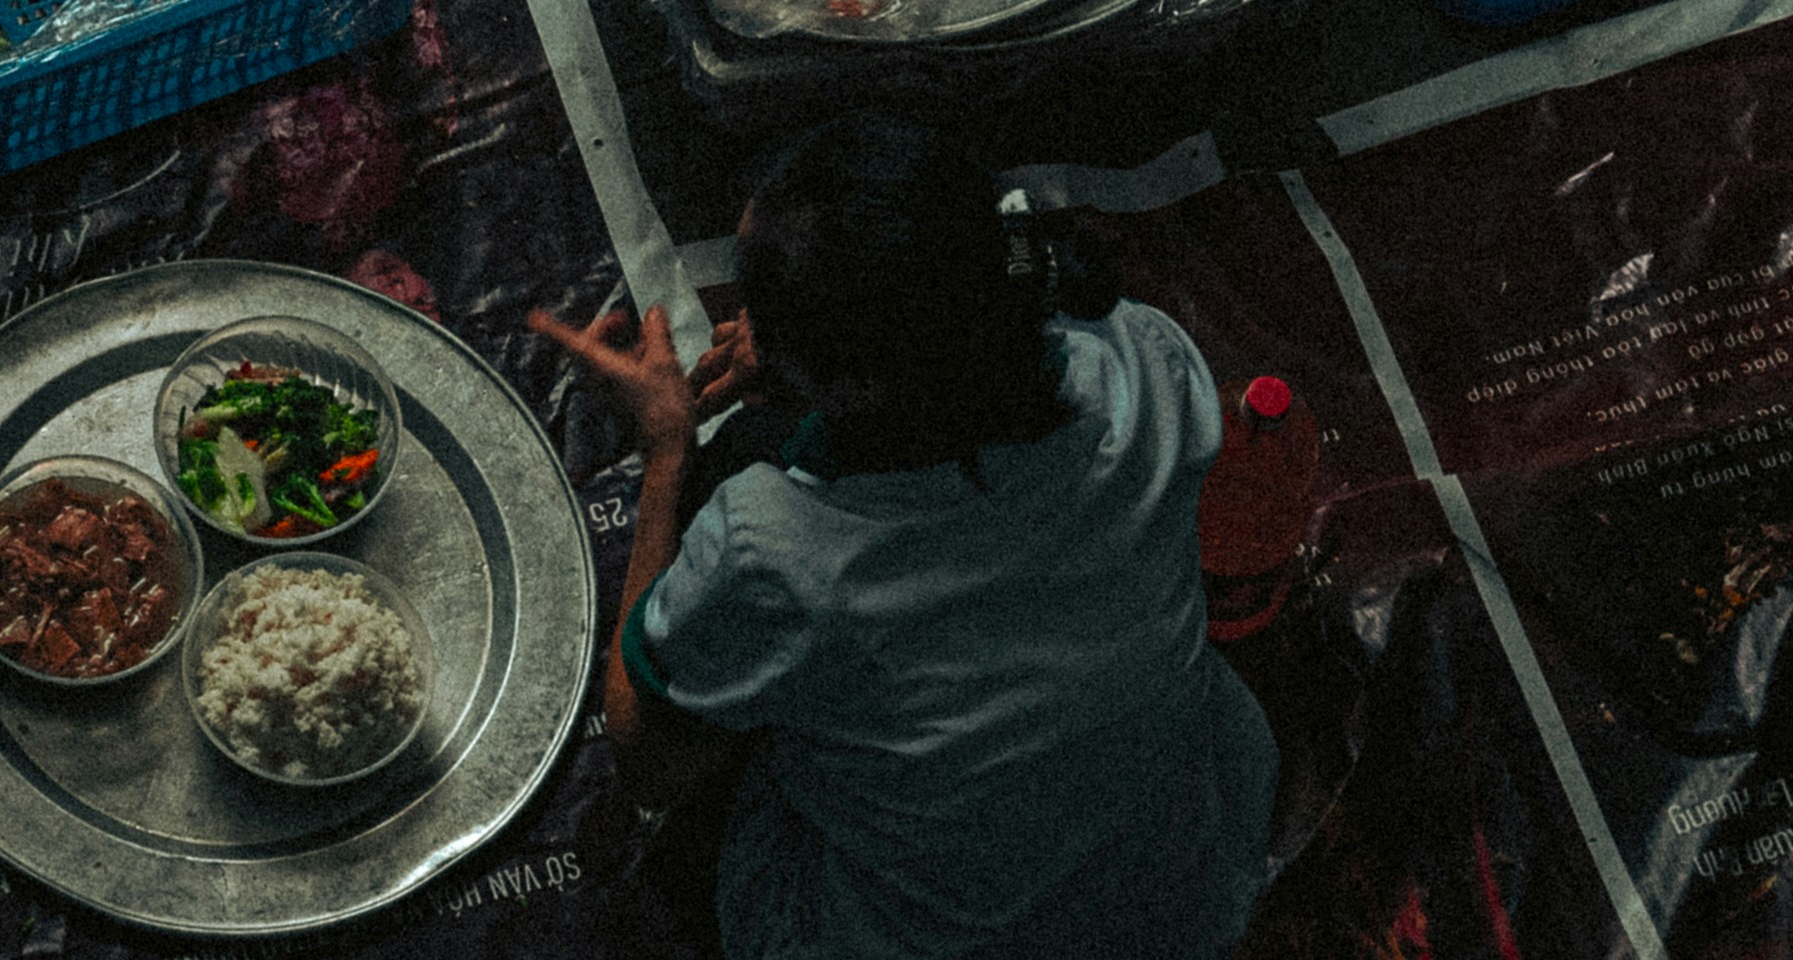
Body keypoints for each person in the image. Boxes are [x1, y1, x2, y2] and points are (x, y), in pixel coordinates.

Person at [531, 120, 1279, 960]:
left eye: (759, 306)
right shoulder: (1139, 361)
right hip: (1180, 895)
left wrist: (667, 452)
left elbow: (646, 761)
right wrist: (816, 349)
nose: (739, 319)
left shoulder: (776, 551)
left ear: (827, 382)